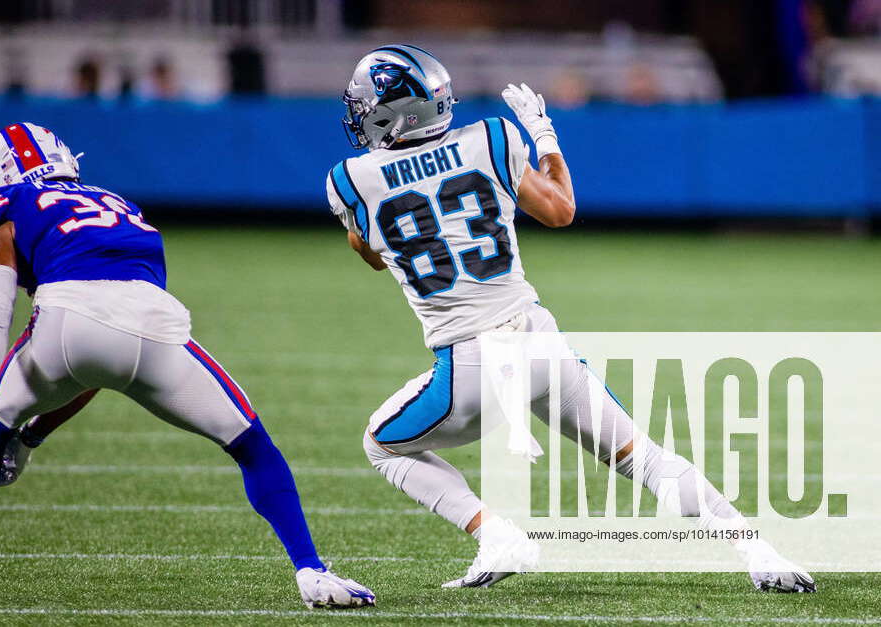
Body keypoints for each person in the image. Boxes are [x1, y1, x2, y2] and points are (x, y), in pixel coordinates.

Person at [329, 44, 816, 592]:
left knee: (382, 444)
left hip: (470, 366)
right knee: (647, 459)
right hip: (538, 341)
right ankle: (761, 554)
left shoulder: (349, 180)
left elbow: (369, 250)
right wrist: (544, 137)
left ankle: (495, 534)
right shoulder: (494, 138)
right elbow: (561, 209)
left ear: (393, 112)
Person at [0, 123, 376, 609]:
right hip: (156, 327)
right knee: (251, 444)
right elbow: (112, 349)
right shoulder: (118, 204)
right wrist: (34, 436)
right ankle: (311, 571)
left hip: (66, 322)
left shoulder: (4, 204)